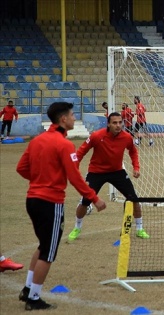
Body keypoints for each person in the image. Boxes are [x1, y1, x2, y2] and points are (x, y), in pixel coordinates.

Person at [16, 102, 107, 310]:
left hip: (33, 199)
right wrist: (94, 198)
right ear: (63, 119)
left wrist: (38, 180)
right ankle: (34, 298)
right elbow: (75, 177)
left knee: (43, 245)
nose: (75, 118)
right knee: (48, 252)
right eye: (73, 115)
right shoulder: (64, 145)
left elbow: (21, 168)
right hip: (50, 202)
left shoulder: (37, 141)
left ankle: (28, 289)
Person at [67, 112, 150, 242]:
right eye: (114, 123)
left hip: (117, 172)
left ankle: (139, 228)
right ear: (108, 124)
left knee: (134, 199)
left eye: (120, 122)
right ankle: (77, 227)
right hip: (96, 172)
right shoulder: (96, 136)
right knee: (85, 201)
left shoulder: (127, 137)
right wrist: (74, 169)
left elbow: (133, 151)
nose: (118, 125)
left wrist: (136, 168)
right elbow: (81, 152)